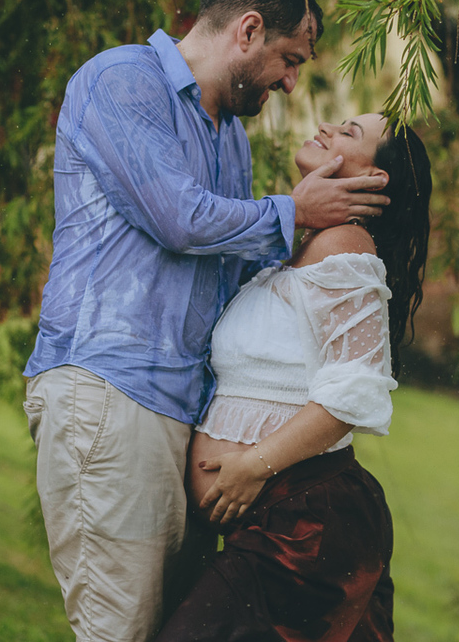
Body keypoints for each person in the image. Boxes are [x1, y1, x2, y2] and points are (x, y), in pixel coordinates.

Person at [21, 0, 390, 642]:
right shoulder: (123, 80)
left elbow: (228, 280)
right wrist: (295, 213)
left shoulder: (230, 141)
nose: (291, 82)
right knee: (120, 631)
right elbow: (179, 218)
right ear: (248, 31)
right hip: (111, 394)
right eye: (290, 60)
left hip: (178, 416)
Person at [157, 113, 433, 642]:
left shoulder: (344, 246)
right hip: (273, 523)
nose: (327, 128)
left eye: (349, 133)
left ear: (373, 178)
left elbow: (354, 392)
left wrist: (251, 467)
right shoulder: (303, 247)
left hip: (302, 525)